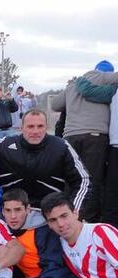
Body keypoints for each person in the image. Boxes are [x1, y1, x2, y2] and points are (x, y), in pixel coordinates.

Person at [0, 109, 91, 219]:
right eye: (30, 126)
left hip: (49, 215)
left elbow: (83, 180)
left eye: (40, 126)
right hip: (10, 214)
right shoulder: (4, 146)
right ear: (21, 127)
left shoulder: (61, 147)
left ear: (46, 127)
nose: (35, 131)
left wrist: (73, 210)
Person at [51, 60, 118, 222]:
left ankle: (67, 215)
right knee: (93, 180)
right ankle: (88, 219)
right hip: (95, 137)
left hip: (70, 136)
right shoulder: (103, 77)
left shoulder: (74, 84)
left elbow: (55, 104)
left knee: (72, 179)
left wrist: (72, 92)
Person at [72, 76, 118, 227]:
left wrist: (80, 79)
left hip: (115, 147)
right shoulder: (113, 90)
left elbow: (87, 90)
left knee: (112, 194)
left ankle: (110, 234)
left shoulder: (113, 90)